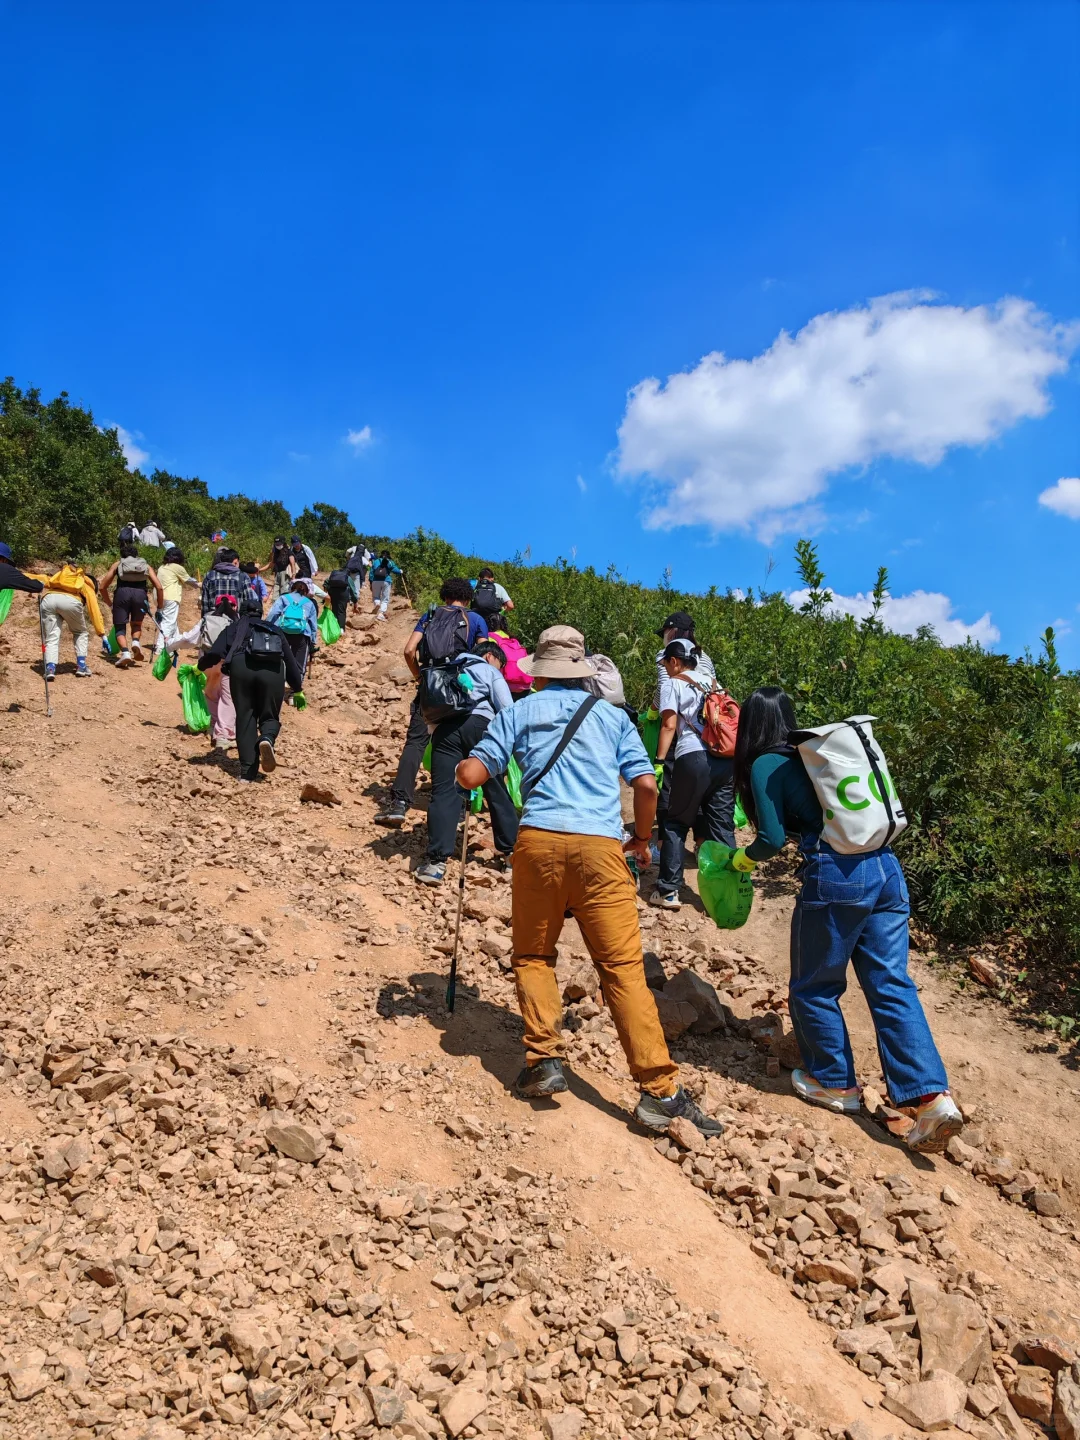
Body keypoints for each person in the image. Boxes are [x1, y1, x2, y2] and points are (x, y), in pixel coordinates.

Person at [456, 624, 721, 1139]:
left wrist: (462, 766)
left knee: (534, 956)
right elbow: (645, 784)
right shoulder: (612, 717)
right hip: (601, 850)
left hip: (538, 845)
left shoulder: (518, 711)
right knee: (622, 971)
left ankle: (544, 1060)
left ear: (539, 671)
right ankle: (660, 1092)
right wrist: (640, 838)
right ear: (581, 672)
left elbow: (473, 776)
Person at [732, 686, 963, 1153]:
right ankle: (932, 1098)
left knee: (814, 985)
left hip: (839, 875)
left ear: (750, 726)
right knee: (891, 984)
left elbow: (771, 839)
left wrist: (740, 861)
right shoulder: (818, 755)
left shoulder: (766, 764)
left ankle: (835, 1083)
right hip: (887, 867)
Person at [375, 578, 489, 826]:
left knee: (415, 743)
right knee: (457, 747)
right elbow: (485, 657)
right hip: (460, 689)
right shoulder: (476, 620)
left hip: (430, 687)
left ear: (444, 595)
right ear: (468, 598)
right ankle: (457, 808)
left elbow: (409, 650)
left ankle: (399, 804)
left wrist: (420, 678)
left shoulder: (431, 614)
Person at [415, 639, 519, 886]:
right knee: (495, 789)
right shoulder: (489, 670)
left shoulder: (448, 668)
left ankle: (436, 863)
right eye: (501, 665)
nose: (501, 670)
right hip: (481, 728)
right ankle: (511, 855)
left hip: (445, 732)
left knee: (444, 792)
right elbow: (507, 709)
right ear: (490, 656)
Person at [650, 641, 735, 910]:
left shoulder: (672, 683)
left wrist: (659, 761)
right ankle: (725, 898)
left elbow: (668, 725)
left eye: (666, 663)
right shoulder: (714, 683)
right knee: (721, 827)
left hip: (692, 756)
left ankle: (668, 891)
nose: (665, 668)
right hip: (725, 760)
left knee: (675, 822)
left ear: (675, 661)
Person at [197, 610, 306, 782]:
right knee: (269, 714)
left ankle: (247, 773)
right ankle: (266, 738)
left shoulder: (234, 628)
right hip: (272, 670)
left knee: (245, 717)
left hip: (241, 668)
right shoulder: (273, 629)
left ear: (241, 613)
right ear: (261, 613)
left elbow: (216, 653)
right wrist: (297, 687)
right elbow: (290, 661)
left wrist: (200, 667)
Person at [167, 596, 239, 749]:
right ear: (235, 606)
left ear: (216, 606)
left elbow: (189, 639)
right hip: (227, 664)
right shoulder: (236, 621)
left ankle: (212, 727)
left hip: (207, 662)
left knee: (211, 696)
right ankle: (224, 733)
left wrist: (170, 645)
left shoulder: (207, 619)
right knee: (227, 698)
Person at [100, 545, 165, 668]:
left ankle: (125, 653)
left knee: (120, 627)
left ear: (122, 555)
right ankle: (135, 642)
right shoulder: (145, 565)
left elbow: (102, 586)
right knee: (136, 624)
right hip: (140, 595)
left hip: (122, 594)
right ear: (136, 555)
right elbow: (159, 587)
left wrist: (110, 604)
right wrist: (160, 608)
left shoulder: (118, 564)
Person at [266, 577, 319, 686]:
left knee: (280, 657)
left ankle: (278, 683)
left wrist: (268, 627)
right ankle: (296, 688)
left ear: (291, 589)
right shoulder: (309, 603)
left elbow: (273, 613)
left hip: (282, 632)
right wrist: (313, 641)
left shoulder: (283, 598)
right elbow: (313, 624)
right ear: (306, 592)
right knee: (300, 662)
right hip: (302, 634)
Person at [153, 546, 200, 655]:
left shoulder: (162, 567)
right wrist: (201, 584)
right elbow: (190, 581)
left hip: (159, 597)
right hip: (170, 597)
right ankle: (160, 647)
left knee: (171, 621)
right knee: (168, 622)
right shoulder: (177, 567)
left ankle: (175, 644)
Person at [200, 548, 261, 618]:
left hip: (214, 621)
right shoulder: (243, 576)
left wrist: (205, 621)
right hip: (236, 621)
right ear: (236, 562)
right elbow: (250, 602)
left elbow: (205, 604)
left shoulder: (209, 576)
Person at [369, 551, 402, 620]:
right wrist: (400, 571)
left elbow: (371, 572)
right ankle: (381, 613)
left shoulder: (376, 561)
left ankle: (377, 604)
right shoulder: (390, 562)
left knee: (376, 596)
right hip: (386, 581)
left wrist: (371, 582)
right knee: (385, 598)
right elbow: (395, 570)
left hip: (375, 581)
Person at [345, 544, 371, 609]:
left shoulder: (352, 557)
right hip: (357, 574)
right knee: (356, 588)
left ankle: (350, 601)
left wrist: (347, 557)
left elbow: (348, 551)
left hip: (349, 573)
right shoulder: (362, 558)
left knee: (350, 586)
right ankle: (355, 602)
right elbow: (369, 565)